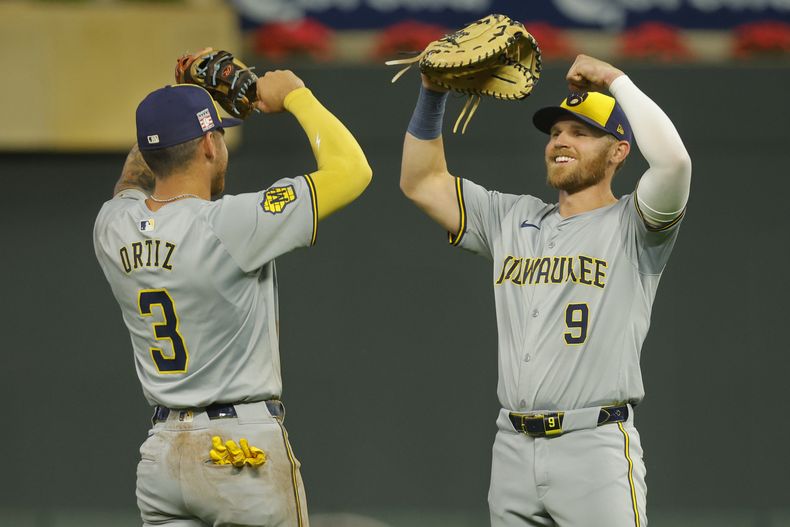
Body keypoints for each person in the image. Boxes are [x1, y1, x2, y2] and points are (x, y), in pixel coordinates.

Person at [399, 54, 691, 526]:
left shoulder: (635, 225)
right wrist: (432, 93)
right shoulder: (511, 218)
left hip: (593, 446)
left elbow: (675, 162)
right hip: (512, 447)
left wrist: (617, 81)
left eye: (581, 132)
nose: (561, 141)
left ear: (618, 151)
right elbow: (421, 181)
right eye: (556, 132)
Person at [94, 70, 372, 526]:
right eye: (218, 136)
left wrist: (173, 105)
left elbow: (135, 176)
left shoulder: (113, 225)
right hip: (239, 451)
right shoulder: (232, 222)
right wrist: (296, 97)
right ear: (208, 146)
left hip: (162, 457)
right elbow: (353, 171)